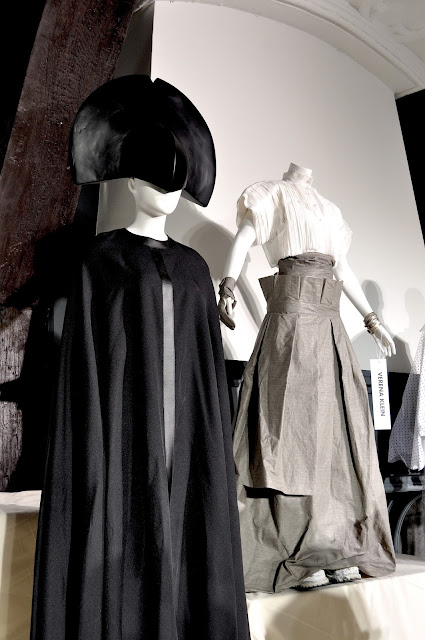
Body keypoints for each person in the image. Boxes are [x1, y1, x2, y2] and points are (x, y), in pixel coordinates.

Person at [30, 76, 250, 640]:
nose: (167, 192)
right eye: (153, 179)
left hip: (187, 447)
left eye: (173, 182)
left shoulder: (195, 269)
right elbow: (85, 373)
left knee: (186, 544)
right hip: (122, 446)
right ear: (130, 181)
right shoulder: (99, 262)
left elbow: (204, 376)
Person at [218, 162, 396, 590]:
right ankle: (296, 549)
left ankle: (336, 546)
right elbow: (244, 238)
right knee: (292, 439)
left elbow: (343, 270)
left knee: (334, 442)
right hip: (292, 323)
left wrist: (373, 321)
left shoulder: (329, 210)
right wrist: (227, 286)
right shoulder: (272, 194)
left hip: (330, 325)